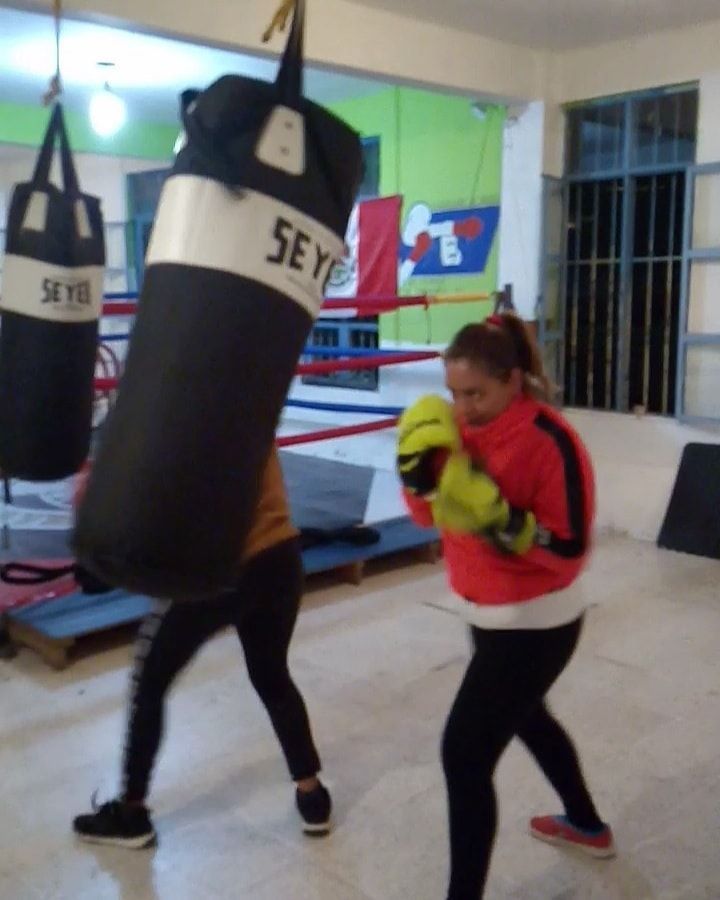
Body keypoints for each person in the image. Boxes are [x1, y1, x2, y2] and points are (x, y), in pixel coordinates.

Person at [396, 313, 614, 899]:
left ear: (513, 381)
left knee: (463, 756)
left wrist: (507, 525)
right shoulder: (455, 429)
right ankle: (588, 826)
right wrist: (418, 480)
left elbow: (570, 545)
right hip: (486, 613)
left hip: (539, 622)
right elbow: (426, 518)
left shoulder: (550, 439)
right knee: (527, 716)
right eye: (453, 393)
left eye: (476, 393)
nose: (462, 407)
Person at [72, 448, 330, 848]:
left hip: (218, 568)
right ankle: (313, 797)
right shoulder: (255, 393)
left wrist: (105, 505)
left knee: (149, 679)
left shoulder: (190, 398)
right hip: (279, 557)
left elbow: (172, 495)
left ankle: (131, 813)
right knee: (272, 676)